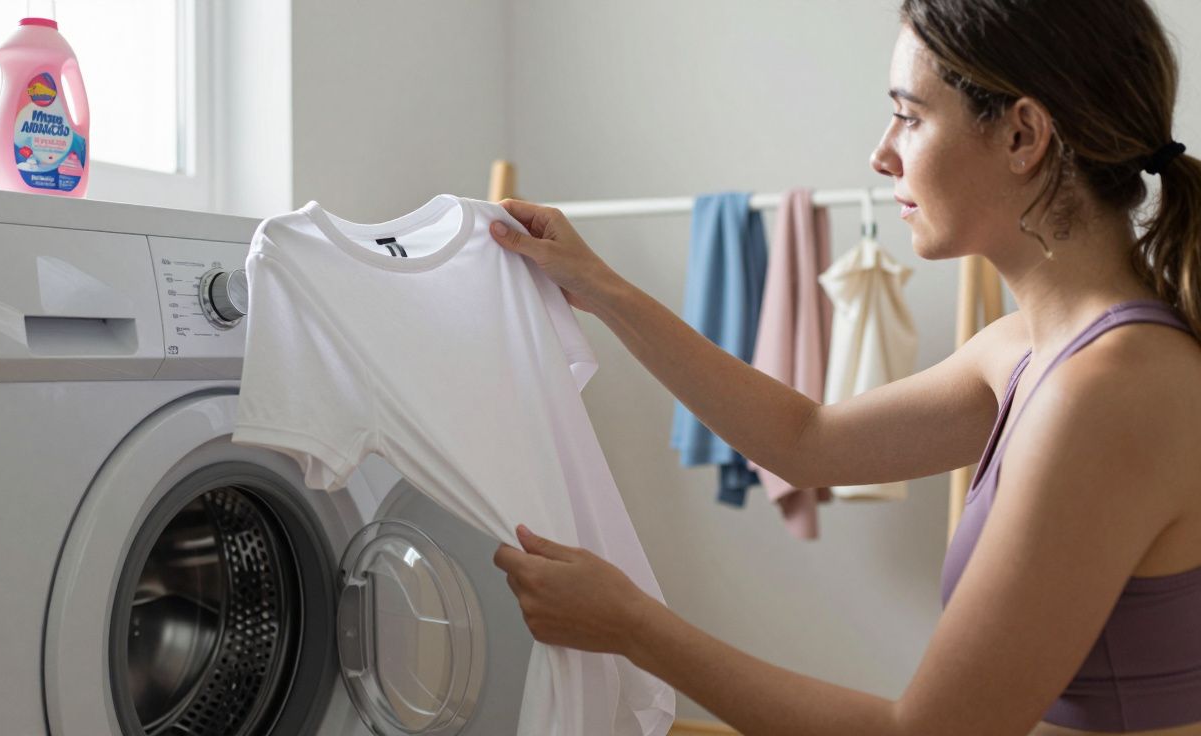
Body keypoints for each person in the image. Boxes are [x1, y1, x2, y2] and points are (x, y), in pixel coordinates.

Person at [488, 1, 1201, 734]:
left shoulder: (1110, 390)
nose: (882, 153)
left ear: (1022, 134)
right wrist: (603, 289)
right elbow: (806, 441)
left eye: (910, 115)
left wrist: (633, 627)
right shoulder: (1030, 350)